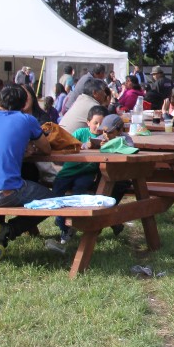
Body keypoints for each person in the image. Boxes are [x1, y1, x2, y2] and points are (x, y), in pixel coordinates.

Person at [0, 85, 52, 268]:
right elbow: (46, 149)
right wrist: (28, 149)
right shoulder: (27, 120)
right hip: (5, 193)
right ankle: (9, 230)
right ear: (24, 104)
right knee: (50, 199)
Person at [50, 105, 109, 245]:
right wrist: (84, 146)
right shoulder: (80, 132)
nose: (98, 127)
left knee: (80, 190)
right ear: (88, 122)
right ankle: (63, 225)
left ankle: (78, 222)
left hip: (86, 173)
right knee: (56, 193)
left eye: (102, 124)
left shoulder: (106, 138)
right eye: (95, 123)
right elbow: (69, 146)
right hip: (68, 171)